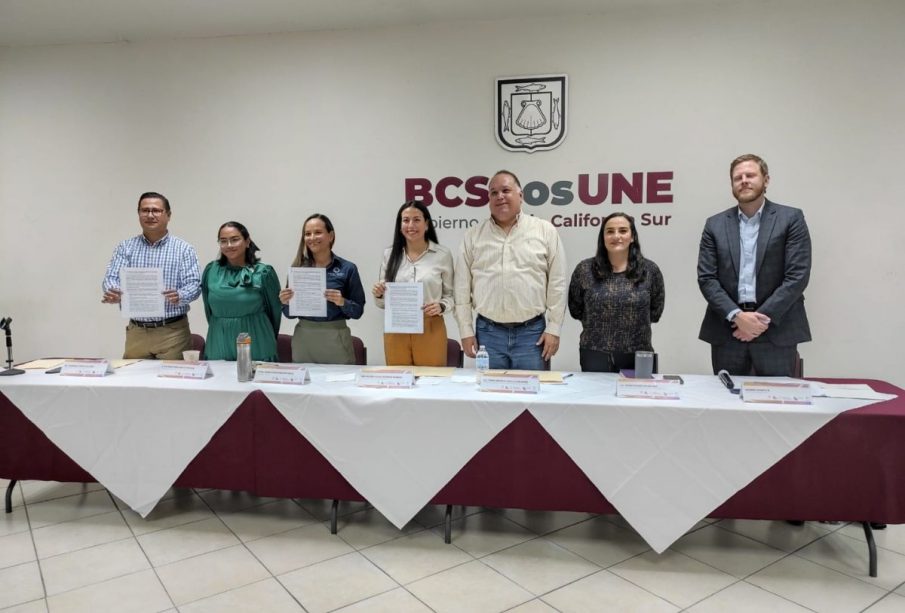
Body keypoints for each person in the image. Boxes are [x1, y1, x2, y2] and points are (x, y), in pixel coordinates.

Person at [697, 154, 811, 376]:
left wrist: (759, 320)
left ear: (766, 180)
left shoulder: (791, 218)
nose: (744, 181)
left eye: (750, 175)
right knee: (727, 404)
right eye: (737, 177)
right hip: (728, 329)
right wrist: (737, 316)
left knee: (778, 404)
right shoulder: (715, 224)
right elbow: (707, 279)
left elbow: (797, 276)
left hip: (776, 329)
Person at [454, 170, 567, 370]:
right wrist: (465, 330)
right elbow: (461, 288)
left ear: (520, 196)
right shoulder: (473, 236)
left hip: (533, 335)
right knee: (491, 398)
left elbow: (557, 283)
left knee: (531, 398)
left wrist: (554, 328)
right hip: (488, 334)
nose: (500, 196)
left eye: (506, 190)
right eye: (493, 192)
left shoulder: (544, 230)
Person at [102, 191, 201, 359]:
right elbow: (111, 278)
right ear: (139, 214)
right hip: (137, 331)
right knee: (133, 381)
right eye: (145, 210)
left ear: (168, 215)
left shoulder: (184, 249)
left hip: (173, 331)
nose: (150, 215)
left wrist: (181, 295)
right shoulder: (125, 247)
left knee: (173, 382)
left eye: (156, 210)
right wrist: (114, 291)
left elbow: (194, 284)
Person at [568, 212, 665, 372]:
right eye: (610, 231)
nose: (616, 236)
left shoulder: (650, 270)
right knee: (594, 397)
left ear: (632, 236)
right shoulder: (585, 270)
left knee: (639, 397)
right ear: (603, 237)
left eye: (623, 231)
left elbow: (655, 312)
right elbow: (575, 309)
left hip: (638, 354)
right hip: (594, 353)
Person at [372, 201, 454, 366]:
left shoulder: (442, 254)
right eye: (406, 220)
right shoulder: (390, 254)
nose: (411, 225)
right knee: (399, 383)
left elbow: (451, 295)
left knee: (432, 382)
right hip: (397, 327)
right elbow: (382, 303)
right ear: (400, 225)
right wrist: (379, 293)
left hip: (430, 324)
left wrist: (442, 306)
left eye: (416, 220)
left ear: (427, 224)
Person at [279, 214, 365, 364]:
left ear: (330, 236)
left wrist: (342, 302)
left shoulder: (348, 268)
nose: (312, 237)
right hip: (304, 339)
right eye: (307, 234)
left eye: (318, 232)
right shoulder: (298, 269)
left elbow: (358, 312)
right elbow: (289, 315)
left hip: (336, 338)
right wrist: (285, 302)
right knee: (304, 386)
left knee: (340, 384)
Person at [201, 221, 281, 361]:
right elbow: (209, 311)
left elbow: (274, 312)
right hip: (219, 339)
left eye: (235, 239)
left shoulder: (263, 273)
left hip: (257, 340)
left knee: (256, 381)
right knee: (219, 380)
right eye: (223, 241)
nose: (229, 245)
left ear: (247, 241)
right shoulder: (211, 271)